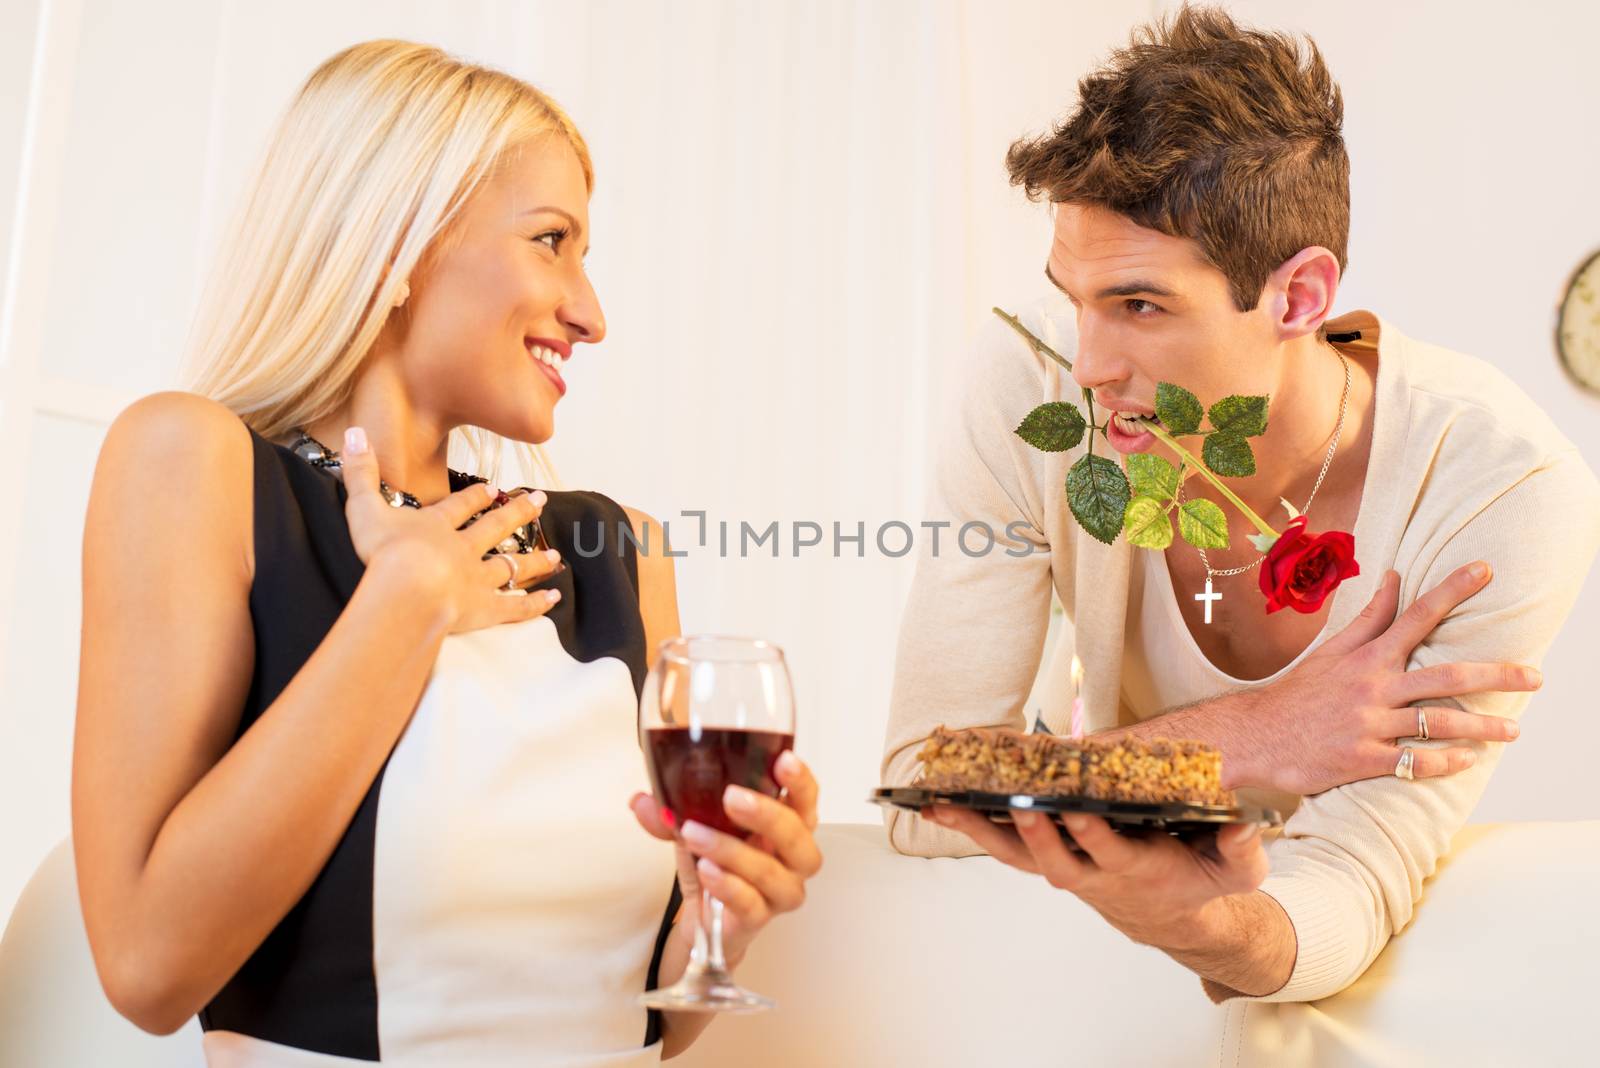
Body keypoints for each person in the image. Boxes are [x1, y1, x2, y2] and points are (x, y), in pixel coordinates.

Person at [71, 39, 821, 1065]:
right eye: (550, 240)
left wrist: (722, 920)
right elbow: (148, 970)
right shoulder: (195, 466)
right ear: (397, 243)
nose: (591, 314)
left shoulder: (617, 550)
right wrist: (407, 601)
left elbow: (635, 1012)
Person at [881, 5, 1600, 1004]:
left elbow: (1360, 864)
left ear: (1299, 298)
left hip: (1269, 954)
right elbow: (925, 791)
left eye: (1139, 305)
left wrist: (1205, 928)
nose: (1086, 367)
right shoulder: (1030, 383)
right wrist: (1253, 735)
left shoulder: (1502, 490)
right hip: (1046, 951)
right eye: (1071, 297)